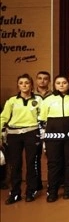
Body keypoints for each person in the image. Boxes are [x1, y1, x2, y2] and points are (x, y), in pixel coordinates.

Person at [1, 74, 43, 204]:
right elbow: (3, 118)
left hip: (32, 132)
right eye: (21, 83)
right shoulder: (12, 101)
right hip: (14, 134)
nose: (24, 85)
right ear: (18, 85)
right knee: (15, 164)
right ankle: (15, 193)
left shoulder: (39, 100)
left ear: (31, 85)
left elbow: (42, 117)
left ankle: (30, 191)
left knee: (31, 163)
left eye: (27, 83)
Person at [39, 75, 69, 202]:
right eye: (58, 83)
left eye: (64, 82)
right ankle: (52, 191)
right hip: (52, 137)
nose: (61, 85)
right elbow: (42, 120)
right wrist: (43, 139)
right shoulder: (48, 100)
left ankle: (68, 189)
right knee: (54, 164)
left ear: (68, 84)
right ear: (54, 85)